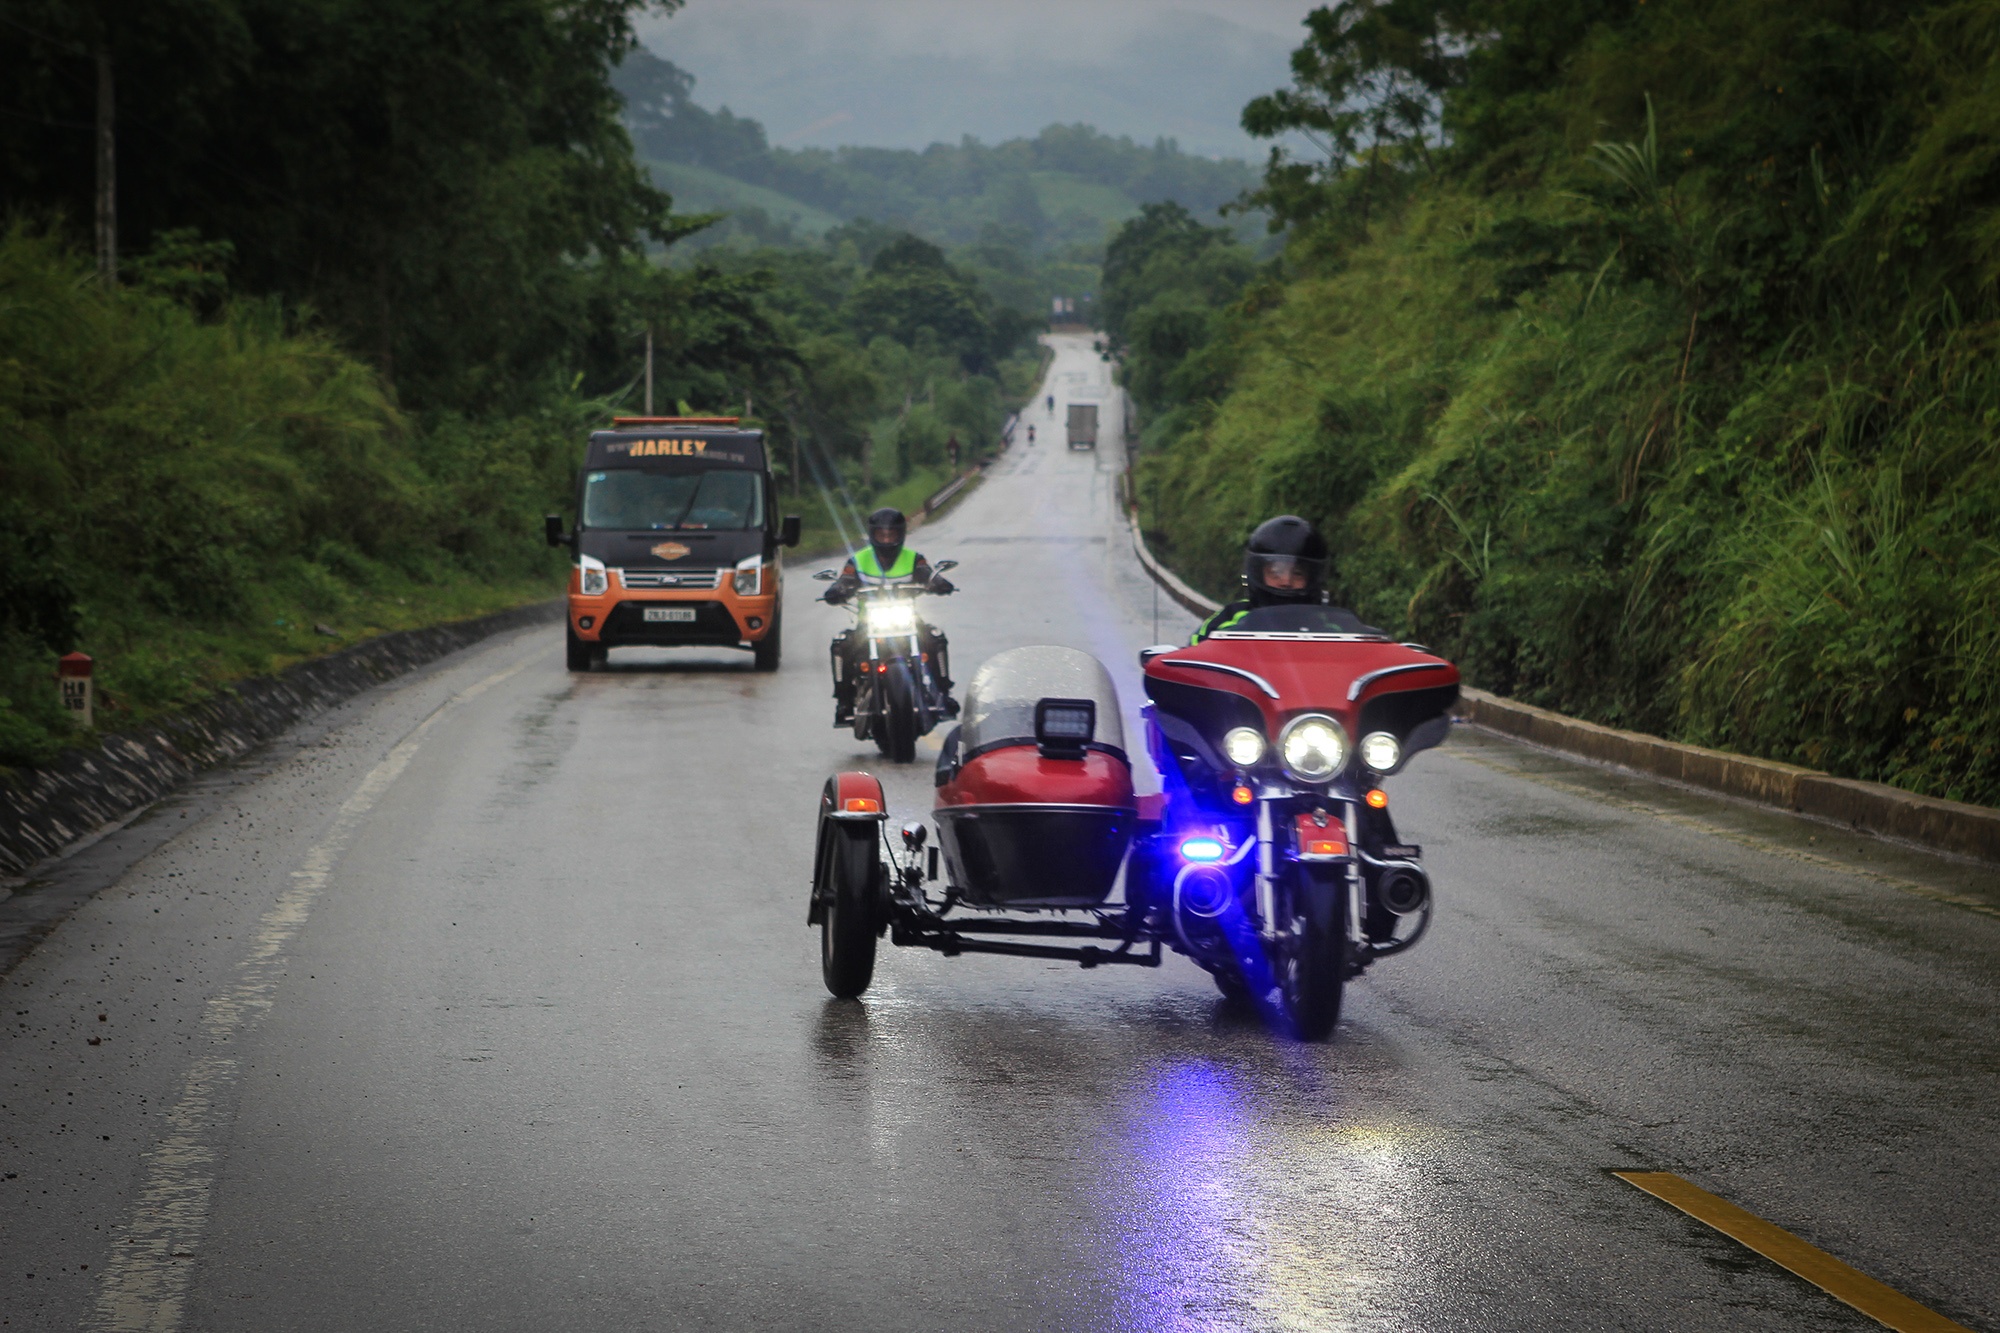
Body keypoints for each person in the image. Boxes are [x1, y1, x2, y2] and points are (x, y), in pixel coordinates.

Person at [825, 508, 954, 721]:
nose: (886, 539)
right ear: (873, 535)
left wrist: (938, 583)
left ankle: (943, 693)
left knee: (935, 639)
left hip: (907, 621)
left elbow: (927, 574)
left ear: (900, 534)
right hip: (868, 624)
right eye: (881, 535)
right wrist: (836, 590)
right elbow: (845, 580)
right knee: (842, 645)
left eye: (891, 534)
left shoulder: (913, 558)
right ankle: (844, 701)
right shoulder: (858, 561)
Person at [1190, 515, 1330, 643]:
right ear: (1258, 573)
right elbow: (1192, 655)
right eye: (1276, 572)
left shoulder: (1330, 629)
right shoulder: (1229, 617)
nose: (1286, 582)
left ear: (1312, 578)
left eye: (1297, 573)